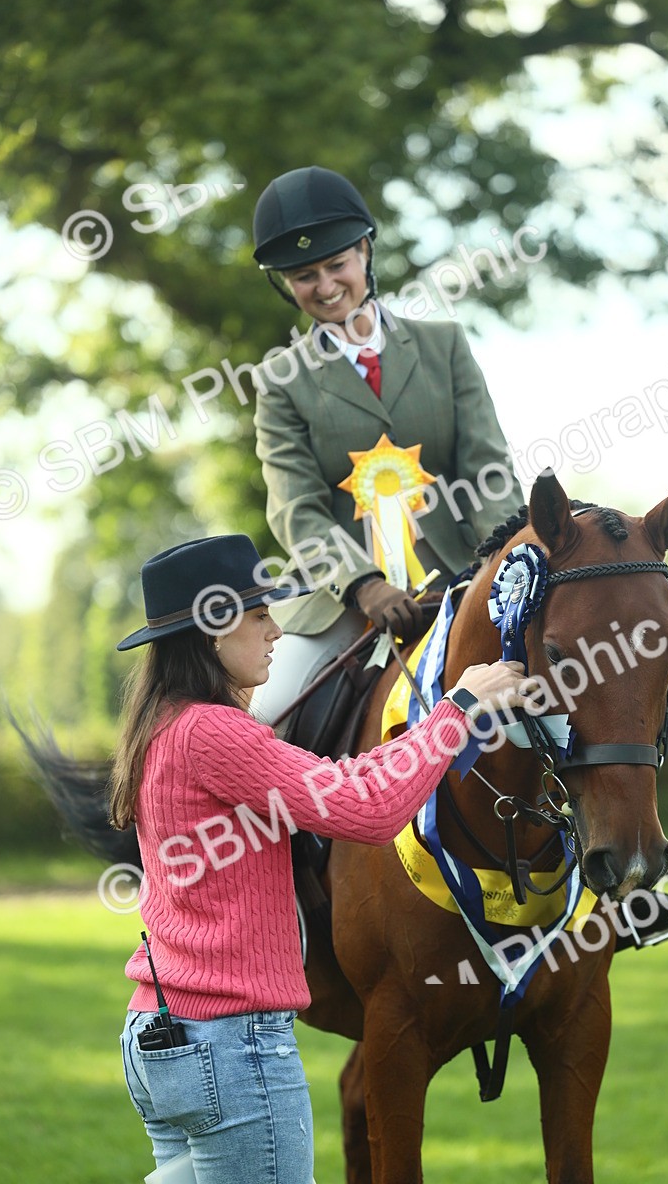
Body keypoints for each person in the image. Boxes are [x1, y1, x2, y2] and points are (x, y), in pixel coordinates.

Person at [114, 532, 536, 1184]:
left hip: (162, 1034)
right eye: (260, 616)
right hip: (231, 1045)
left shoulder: (164, 725)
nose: (277, 631)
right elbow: (370, 809)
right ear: (213, 632)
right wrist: (459, 708)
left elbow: (344, 782)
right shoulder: (215, 732)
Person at [250, 165, 524, 726]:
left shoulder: (444, 346)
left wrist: (499, 564)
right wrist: (363, 585)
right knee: (266, 713)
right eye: (304, 275)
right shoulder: (280, 381)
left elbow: (488, 471)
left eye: (336, 265)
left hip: (462, 578)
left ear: (365, 252)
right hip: (343, 604)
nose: (326, 286)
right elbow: (296, 509)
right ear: (285, 283)